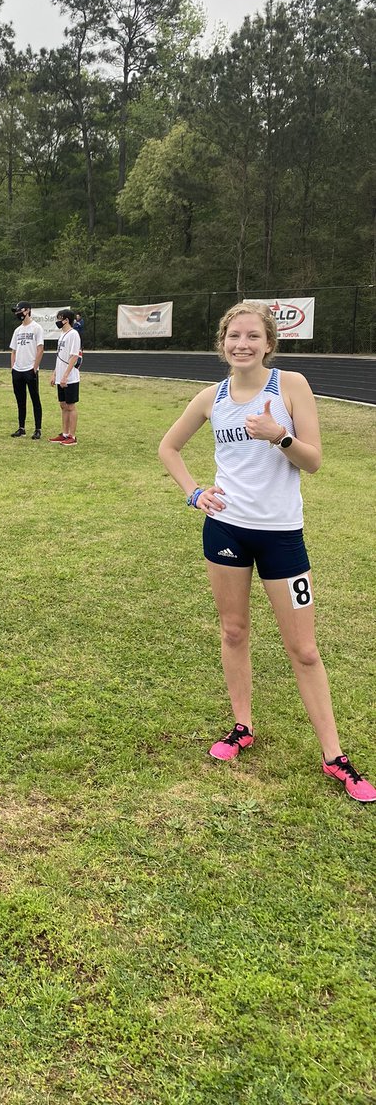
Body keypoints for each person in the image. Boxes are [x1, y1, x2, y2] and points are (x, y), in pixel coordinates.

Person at [158, 300, 374, 803]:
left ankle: (334, 756)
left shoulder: (290, 386)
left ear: (268, 344)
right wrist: (194, 492)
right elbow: (168, 447)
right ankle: (242, 726)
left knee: (304, 649)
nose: (242, 344)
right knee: (233, 630)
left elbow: (314, 461)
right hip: (226, 531)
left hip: (281, 535)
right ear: (222, 342)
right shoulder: (211, 397)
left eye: (252, 336)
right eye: (234, 336)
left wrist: (281, 436)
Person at [9, 302, 44, 439]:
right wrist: (13, 367)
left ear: (28, 310)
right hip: (18, 370)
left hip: (30, 369)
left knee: (35, 399)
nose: (18, 314)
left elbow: (40, 349)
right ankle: (21, 427)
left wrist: (34, 368)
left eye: (20, 311)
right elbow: (13, 350)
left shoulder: (37, 328)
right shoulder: (17, 330)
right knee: (20, 400)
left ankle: (38, 429)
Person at [49, 309, 82, 445]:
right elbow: (60, 357)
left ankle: (72, 436)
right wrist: (55, 373)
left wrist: (66, 376)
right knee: (63, 405)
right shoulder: (62, 335)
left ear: (66, 320)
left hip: (70, 378)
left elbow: (74, 356)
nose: (57, 321)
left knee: (70, 406)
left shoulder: (73, 334)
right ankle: (64, 433)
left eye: (59, 318)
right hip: (60, 376)